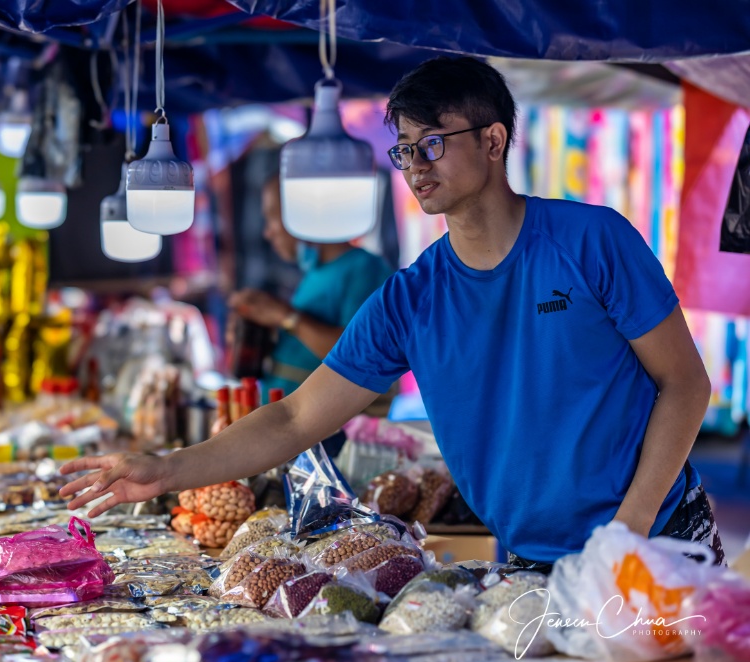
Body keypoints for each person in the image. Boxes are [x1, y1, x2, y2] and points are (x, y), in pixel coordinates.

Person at [59, 57, 725, 572]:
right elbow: (294, 418)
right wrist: (168, 469)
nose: (413, 164)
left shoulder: (591, 242)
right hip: (531, 560)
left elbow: (686, 384)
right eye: (404, 148)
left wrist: (629, 529)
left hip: (656, 538)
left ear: (493, 141)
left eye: (433, 142)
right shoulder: (412, 297)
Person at [229, 174, 395, 443]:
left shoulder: (364, 268)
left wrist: (285, 316)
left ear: (302, 215)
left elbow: (361, 355)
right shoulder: (316, 272)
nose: (267, 231)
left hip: (331, 438)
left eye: (273, 218)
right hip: (286, 432)